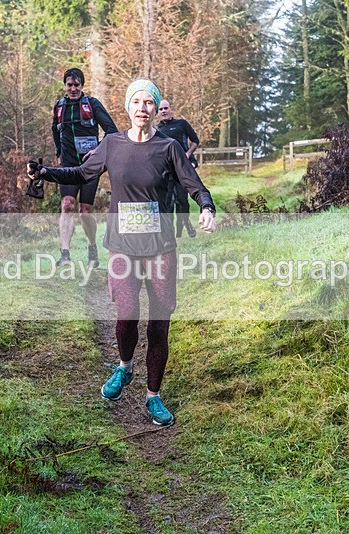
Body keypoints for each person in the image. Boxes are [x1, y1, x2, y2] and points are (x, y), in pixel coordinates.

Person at [29, 79, 216, 426]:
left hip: (160, 247)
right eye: (137, 102)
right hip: (122, 248)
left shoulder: (169, 147)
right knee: (127, 313)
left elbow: (193, 183)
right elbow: (81, 171)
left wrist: (206, 207)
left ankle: (153, 397)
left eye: (149, 102)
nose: (142, 108)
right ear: (128, 107)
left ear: (154, 109)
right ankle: (125, 367)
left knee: (159, 325)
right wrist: (45, 172)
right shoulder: (112, 144)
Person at [51, 67, 118, 267]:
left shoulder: (92, 104)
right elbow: (55, 129)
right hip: (69, 166)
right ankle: (65, 253)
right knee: (67, 205)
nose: (73, 89)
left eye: (77, 85)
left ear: (82, 85)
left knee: (85, 211)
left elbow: (111, 131)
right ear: (65, 85)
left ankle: (92, 247)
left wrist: (98, 152)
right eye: (69, 85)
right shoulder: (59, 106)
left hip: (90, 166)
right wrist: (59, 152)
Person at [157, 99, 200, 238]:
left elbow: (195, 141)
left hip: (182, 169)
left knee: (182, 201)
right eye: (160, 109)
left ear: (170, 109)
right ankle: (170, 232)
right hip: (166, 172)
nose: (163, 111)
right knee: (168, 203)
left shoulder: (181, 124)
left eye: (166, 108)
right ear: (157, 113)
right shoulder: (157, 130)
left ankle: (186, 223)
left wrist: (187, 155)